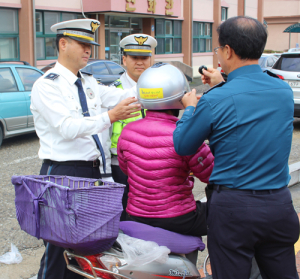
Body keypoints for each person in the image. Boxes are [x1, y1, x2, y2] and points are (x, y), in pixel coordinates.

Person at [173, 16, 299, 279]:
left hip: (234, 209)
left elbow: (183, 145)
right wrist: (223, 84)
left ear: (227, 51)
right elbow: (247, 102)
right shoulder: (283, 91)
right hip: (279, 205)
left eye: (219, 48)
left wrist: (190, 109)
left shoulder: (215, 100)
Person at [30, 19, 141, 279]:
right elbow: (67, 127)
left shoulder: (89, 82)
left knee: (87, 246)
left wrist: (169, 91)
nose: (88, 50)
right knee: (58, 246)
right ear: (63, 44)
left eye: (90, 45)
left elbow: (124, 96)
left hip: (91, 174)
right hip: (61, 172)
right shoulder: (47, 85)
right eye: (82, 44)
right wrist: (109, 117)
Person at [117, 63, 214, 237]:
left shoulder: (127, 131)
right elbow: (210, 174)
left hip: (135, 216)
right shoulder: (185, 134)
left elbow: (127, 169)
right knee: (225, 213)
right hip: (179, 218)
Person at [110, 34, 157, 220]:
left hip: (152, 166)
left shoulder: (158, 88)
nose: (140, 62)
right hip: (121, 168)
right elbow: (104, 132)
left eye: (144, 58)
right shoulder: (113, 91)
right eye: (134, 57)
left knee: (148, 218)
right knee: (123, 220)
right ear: (124, 59)